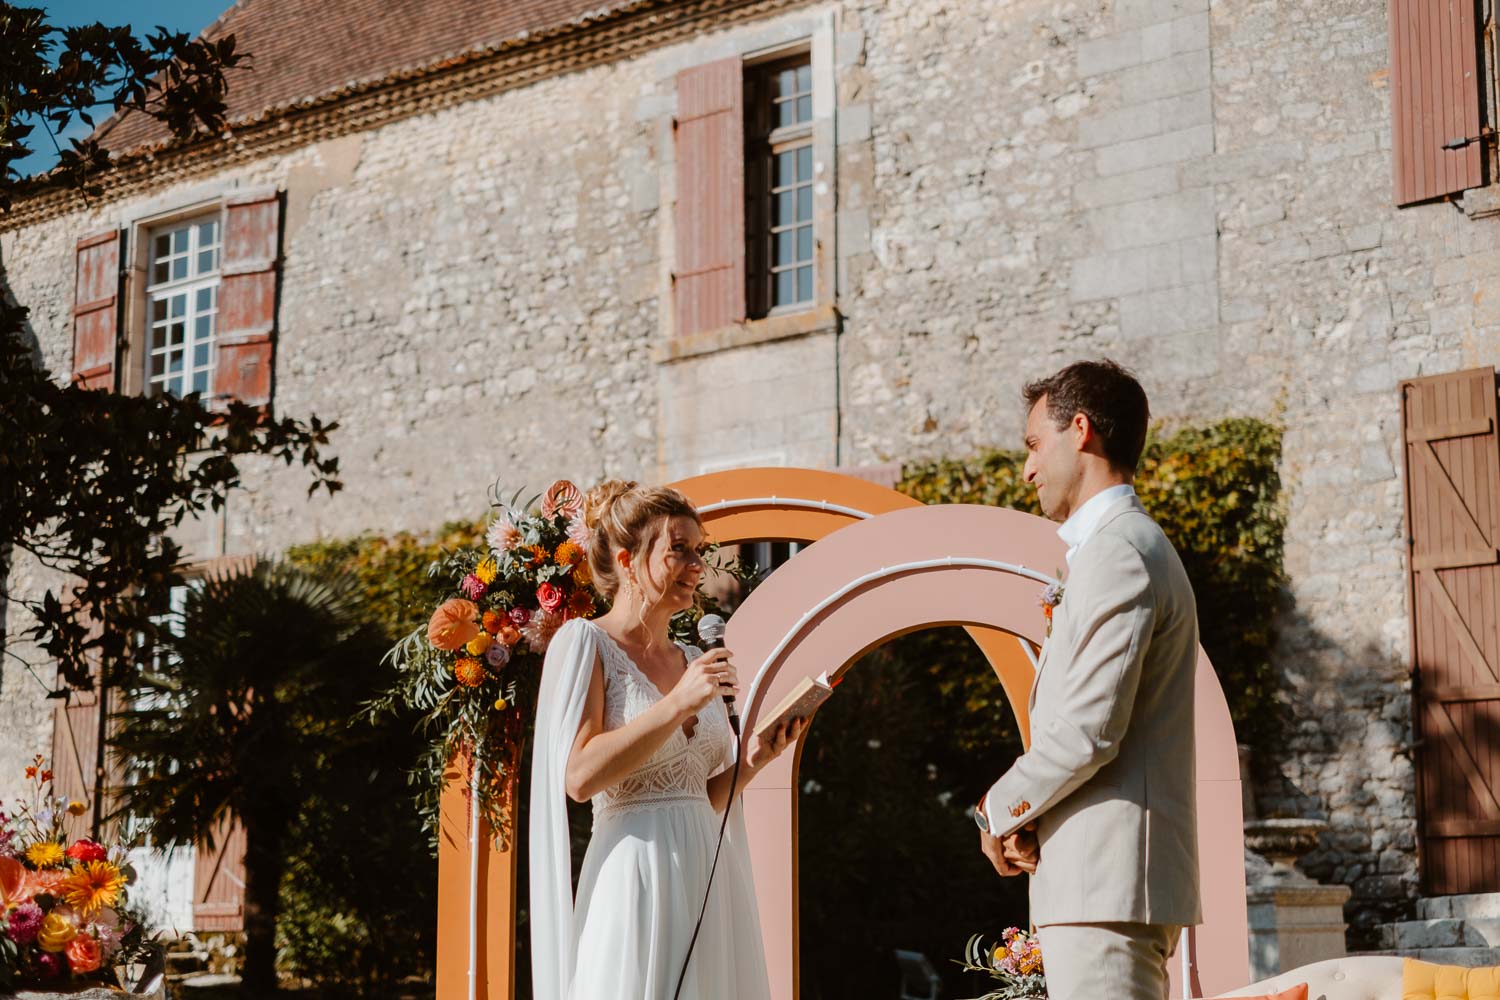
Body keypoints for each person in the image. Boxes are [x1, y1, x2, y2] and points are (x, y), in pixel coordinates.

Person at [974, 360, 1202, 1000]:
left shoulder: (1119, 553)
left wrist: (997, 810)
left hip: (1107, 887)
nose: (1027, 468)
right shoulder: (1121, 549)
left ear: (1080, 431)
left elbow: (1089, 731)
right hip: (1103, 883)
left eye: (1033, 444)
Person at [529, 480, 804, 1000]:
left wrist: (753, 760)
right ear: (629, 560)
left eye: (699, 551)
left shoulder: (688, 655)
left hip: (708, 878)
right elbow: (581, 777)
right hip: (636, 879)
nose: (697, 565)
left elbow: (700, 795)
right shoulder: (586, 642)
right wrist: (679, 701)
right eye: (679, 549)